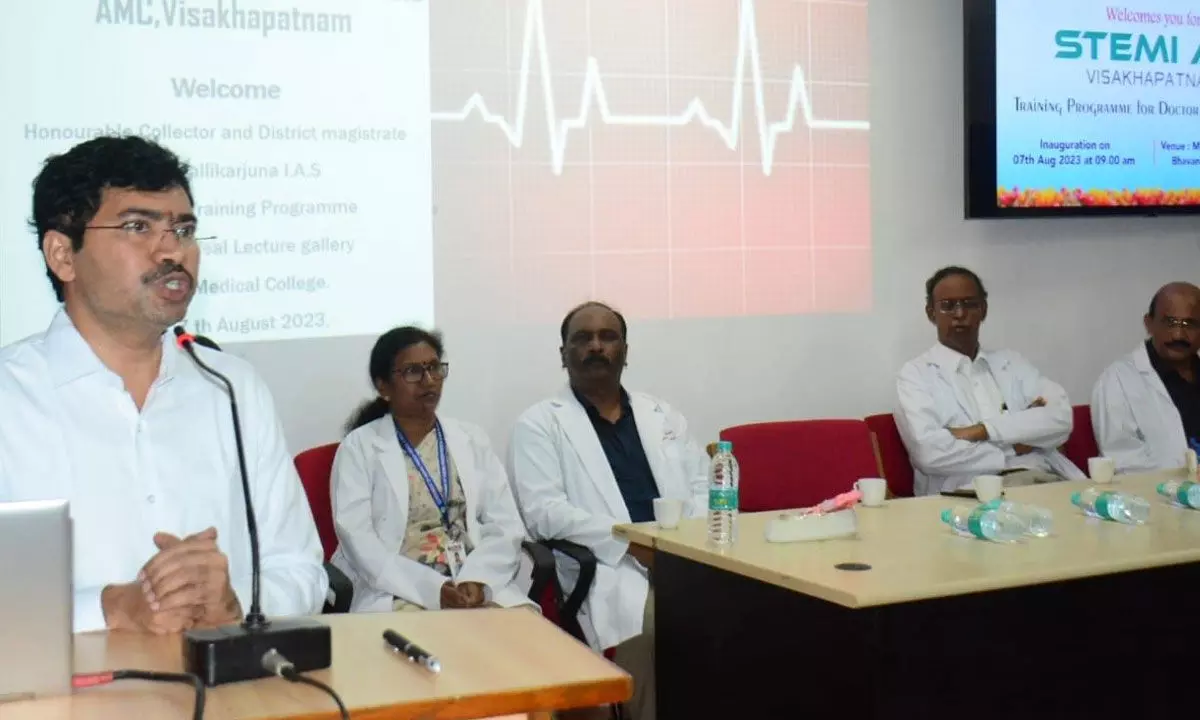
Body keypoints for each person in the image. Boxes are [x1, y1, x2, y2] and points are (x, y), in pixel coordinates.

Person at [0, 135, 327, 633]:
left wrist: (239, 605)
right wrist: (112, 609)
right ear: (63, 254)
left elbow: (301, 569)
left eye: (184, 228)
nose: (173, 249)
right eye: (138, 226)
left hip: (231, 700)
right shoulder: (11, 396)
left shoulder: (233, 388)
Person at [509, 301, 709, 720]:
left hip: (685, 555)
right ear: (563, 354)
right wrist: (633, 543)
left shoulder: (662, 415)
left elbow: (703, 486)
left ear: (625, 351)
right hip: (610, 565)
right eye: (582, 338)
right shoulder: (539, 423)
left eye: (608, 337)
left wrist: (685, 541)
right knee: (653, 626)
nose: (596, 346)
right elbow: (544, 512)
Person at [330, 327, 535, 612]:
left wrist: (479, 580)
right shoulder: (359, 447)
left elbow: (505, 524)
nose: (429, 381)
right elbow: (358, 539)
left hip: (473, 583)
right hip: (401, 591)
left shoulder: (471, 438)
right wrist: (432, 589)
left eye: (434, 368)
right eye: (413, 371)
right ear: (383, 387)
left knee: (524, 643)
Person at [894, 266, 1084, 495]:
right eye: (947, 306)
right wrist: (1015, 443)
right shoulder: (916, 375)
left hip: (1042, 480)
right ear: (931, 313)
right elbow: (928, 453)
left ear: (983, 310)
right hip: (965, 493)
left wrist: (981, 431)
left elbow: (1060, 418)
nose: (959, 314)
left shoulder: (1012, 363)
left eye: (969, 304)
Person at [1091, 282, 1200, 473]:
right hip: (1160, 495)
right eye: (1170, 322)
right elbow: (1123, 462)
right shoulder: (1117, 381)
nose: (1178, 334)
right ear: (1149, 324)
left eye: (1190, 324)